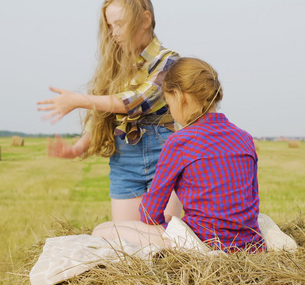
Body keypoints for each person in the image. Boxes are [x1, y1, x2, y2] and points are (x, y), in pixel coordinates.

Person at [93, 57, 265, 253]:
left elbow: (151, 211)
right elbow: (252, 199)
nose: (171, 111)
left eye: (168, 103)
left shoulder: (180, 142)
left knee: (102, 231)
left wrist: (161, 227)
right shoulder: (244, 138)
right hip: (248, 242)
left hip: (202, 241)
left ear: (179, 96)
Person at [36, 0, 182, 221]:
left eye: (120, 24)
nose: (114, 33)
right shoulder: (114, 68)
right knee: (127, 243)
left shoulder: (169, 61)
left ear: (145, 20)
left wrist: (80, 100)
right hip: (124, 161)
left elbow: (139, 101)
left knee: (168, 239)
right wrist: (76, 149)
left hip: (164, 157)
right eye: (110, 26)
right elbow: (101, 117)